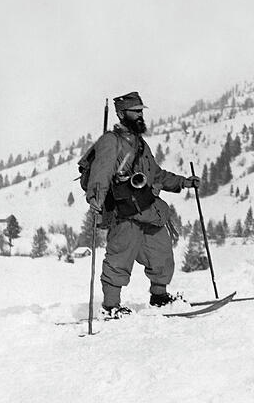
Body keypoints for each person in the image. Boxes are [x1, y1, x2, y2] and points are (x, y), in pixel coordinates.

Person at [84, 92, 200, 317]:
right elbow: (100, 173)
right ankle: (111, 306)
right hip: (125, 211)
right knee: (119, 257)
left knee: (162, 253)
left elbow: (156, 174)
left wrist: (184, 182)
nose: (139, 115)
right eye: (135, 111)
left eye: (141, 111)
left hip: (148, 209)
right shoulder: (111, 141)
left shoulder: (140, 143)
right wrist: (95, 200)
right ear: (121, 113)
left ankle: (159, 297)